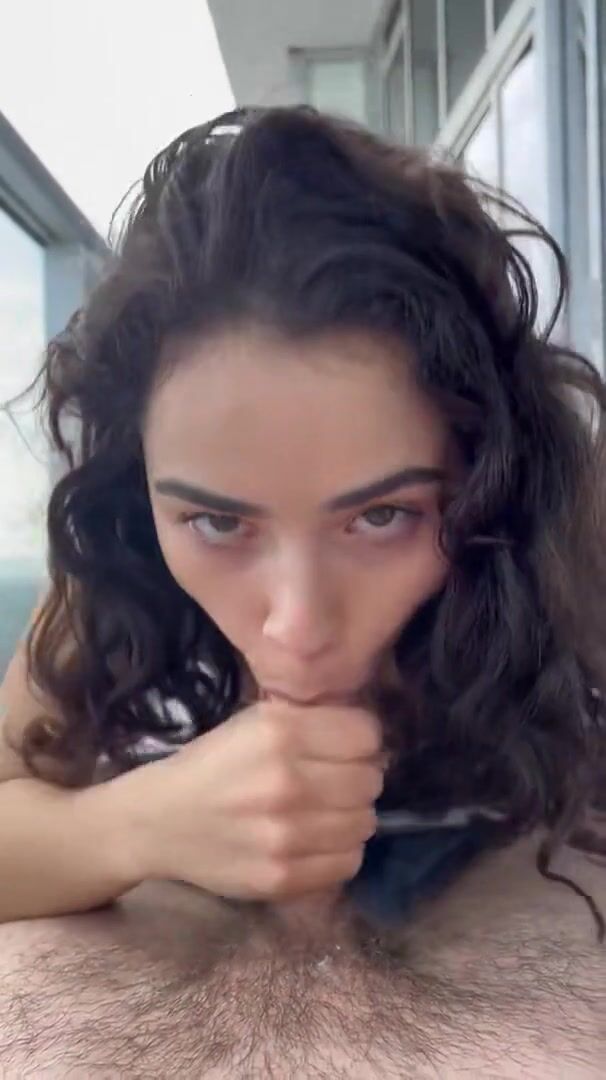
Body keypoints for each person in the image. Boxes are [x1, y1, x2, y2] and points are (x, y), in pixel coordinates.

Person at [0, 105, 605, 1075]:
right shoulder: (111, 588)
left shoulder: (565, 559)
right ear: (140, 487)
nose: (297, 624)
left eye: (382, 516)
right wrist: (134, 824)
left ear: (489, 477)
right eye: (216, 523)